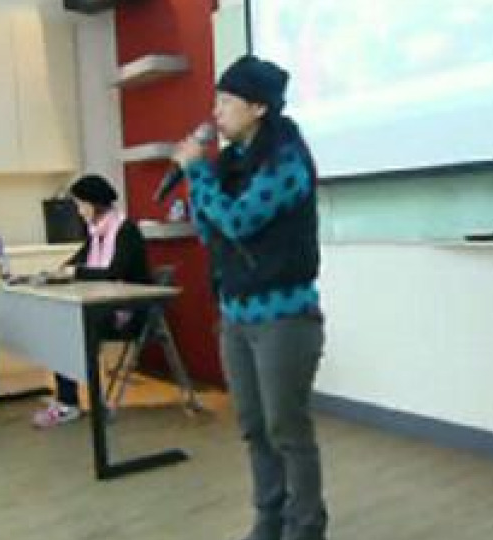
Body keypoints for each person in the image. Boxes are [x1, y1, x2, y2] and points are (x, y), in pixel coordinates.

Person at [171, 55, 328, 540]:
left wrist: (197, 175)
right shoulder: (230, 163)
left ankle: (306, 526)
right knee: (254, 427)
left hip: (284, 319)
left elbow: (239, 221)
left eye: (226, 101)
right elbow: (210, 231)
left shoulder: (286, 160)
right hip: (235, 316)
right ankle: (269, 518)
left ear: (259, 107)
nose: (215, 111)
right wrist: (199, 181)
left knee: (287, 429)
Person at [31, 174, 151, 428]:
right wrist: (57, 273)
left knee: (67, 330)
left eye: (80, 204)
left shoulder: (125, 230)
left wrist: (74, 272)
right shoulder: (96, 233)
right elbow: (78, 262)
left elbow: (114, 272)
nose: (78, 210)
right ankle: (68, 401)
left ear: (93, 203)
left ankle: (69, 403)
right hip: (105, 308)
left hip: (129, 313)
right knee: (60, 324)